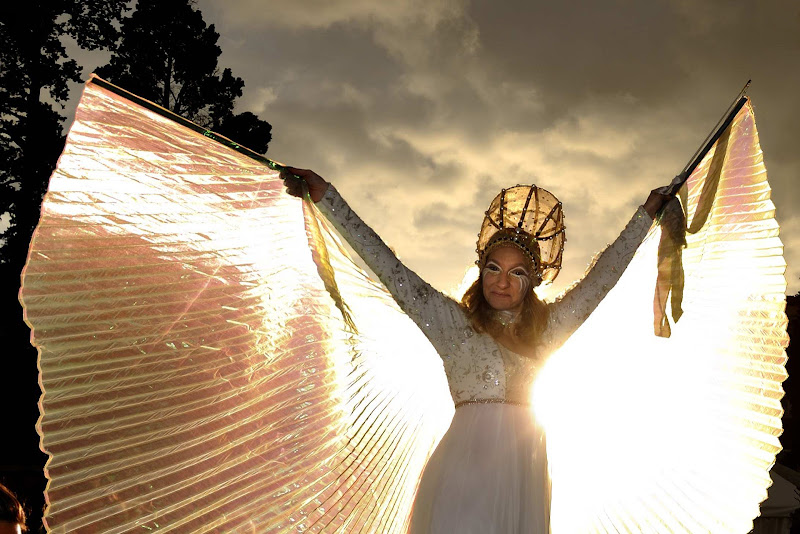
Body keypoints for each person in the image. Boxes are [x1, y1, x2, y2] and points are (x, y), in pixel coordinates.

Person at [283, 167, 670, 533]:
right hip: (461, 477)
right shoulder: (453, 325)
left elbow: (599, 281)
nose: (502, 282)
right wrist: (327, 197)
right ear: (480, 270)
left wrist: (646, 215)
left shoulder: (547, 332)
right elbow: (390, 269)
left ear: (532, 281)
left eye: (517, 272)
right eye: (493, 268)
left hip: (524, 481)